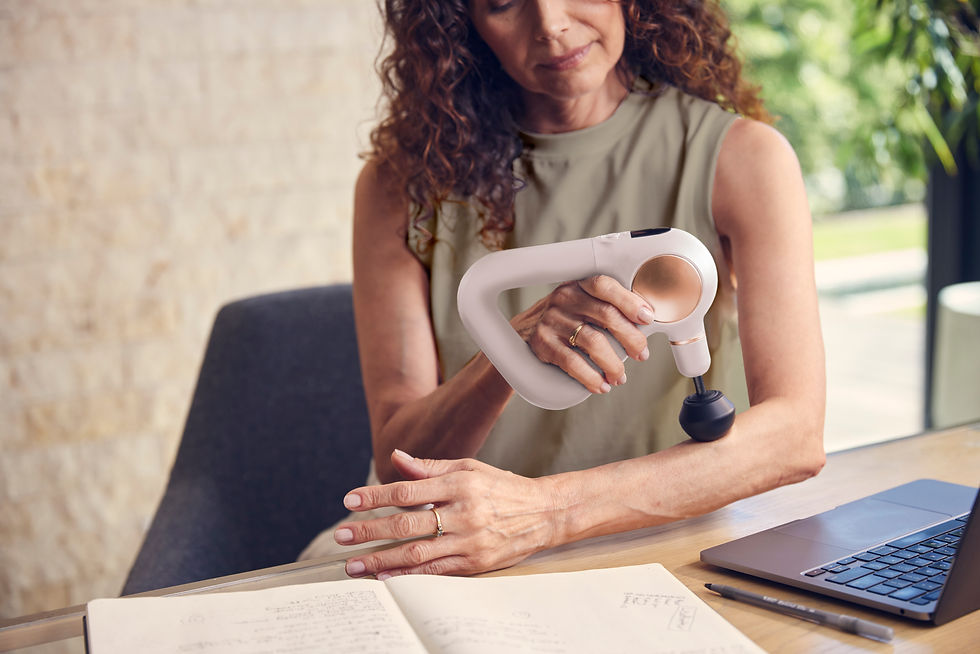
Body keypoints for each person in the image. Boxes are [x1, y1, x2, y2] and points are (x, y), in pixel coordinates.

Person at [300, 0, 826, 579]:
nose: (550, 23)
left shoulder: (743, 159)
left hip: (661, 550)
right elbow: (401, 463)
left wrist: (545, 514)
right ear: (459, 22)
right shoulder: (399, 184)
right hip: (462, 555)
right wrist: (507, 351)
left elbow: (794, 436)